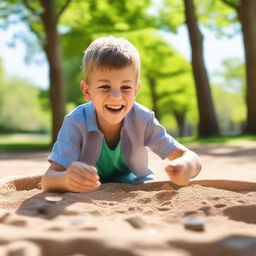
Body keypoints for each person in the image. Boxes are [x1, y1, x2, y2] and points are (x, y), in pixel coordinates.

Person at [41, 36, 201, 192]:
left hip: (136, 187)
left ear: (136, 89)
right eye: (105, 86)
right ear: (87, 90)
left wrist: (186, 166)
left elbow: (190, 157)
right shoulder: (75, 122)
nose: (116, 96)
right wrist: (66, 180)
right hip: (89, 191)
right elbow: (48, 180)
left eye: (126, 87)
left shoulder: (143, 119)